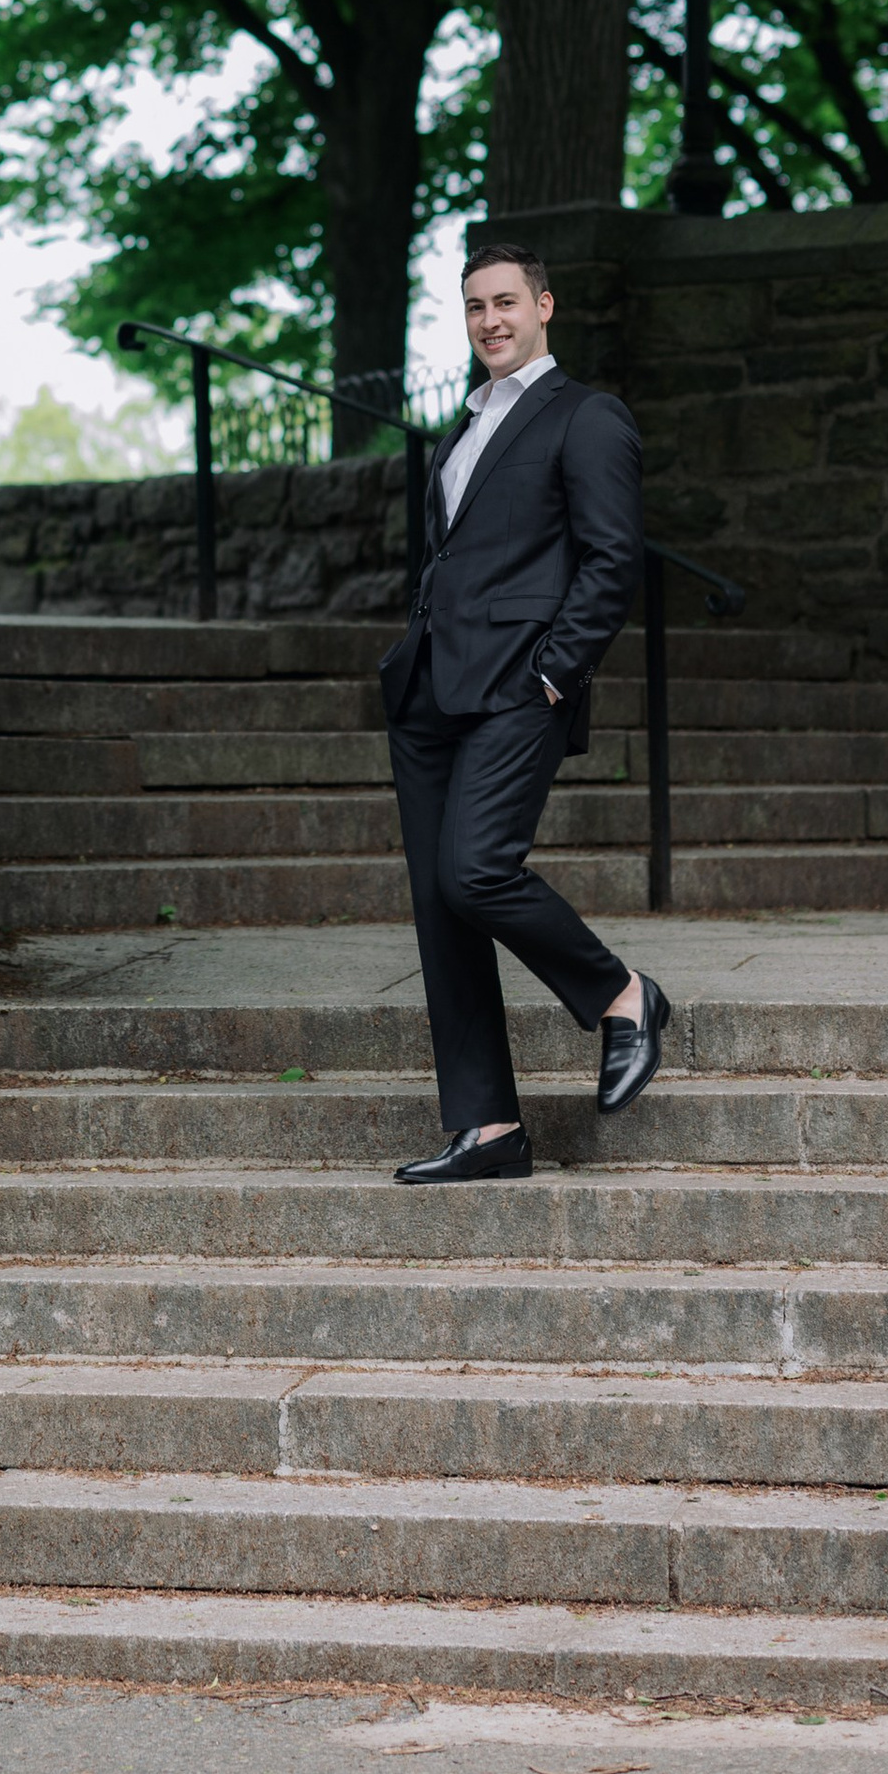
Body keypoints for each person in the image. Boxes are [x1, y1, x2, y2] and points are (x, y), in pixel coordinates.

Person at [379, 233, 666, 1184]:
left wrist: (556, 672)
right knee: (439, 908)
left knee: (476, 870)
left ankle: (622, 993)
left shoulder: (586, 417)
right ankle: (488, 1128)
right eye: (474, 306)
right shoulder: (461, 429)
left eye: (506, 301)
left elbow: (611, 558)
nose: (490, 320)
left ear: (545, 306)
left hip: (517, 686)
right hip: (431, 691)